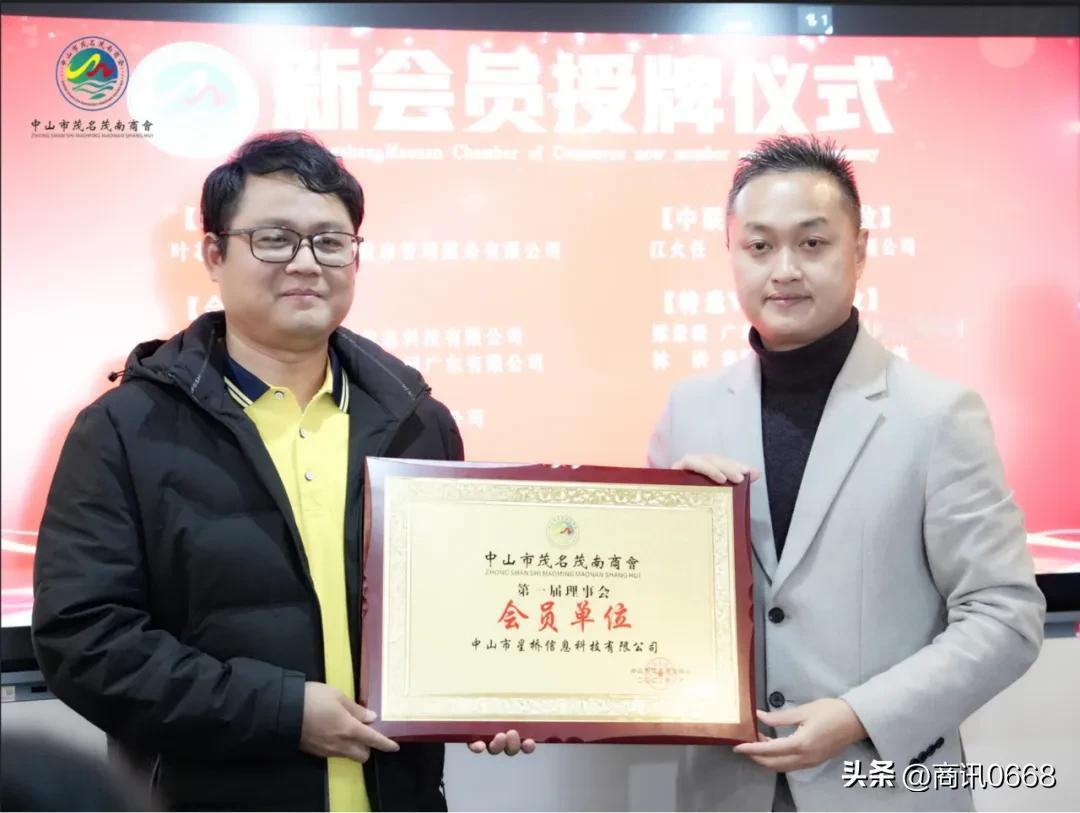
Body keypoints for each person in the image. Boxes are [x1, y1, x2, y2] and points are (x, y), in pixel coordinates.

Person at [32, 130, 530, 813]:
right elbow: (84, 641)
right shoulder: (124, 429)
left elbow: (459, 605)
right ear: (214, 254)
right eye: (274, 239)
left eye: (330, 241)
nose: (305, 262)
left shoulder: (420, 423)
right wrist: (280, 711)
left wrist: (494, 691)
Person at [647, 135, 1045, 811]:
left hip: (880, 783)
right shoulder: (689, 411)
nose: (784, 270)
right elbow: (650, 610)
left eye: (812, 243)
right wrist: (667, 522)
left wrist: (861, 714)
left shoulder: (937, 414)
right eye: (759, 246)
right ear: (731, 252)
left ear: (859, 251)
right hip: (724, 788)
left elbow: (1006, 616)